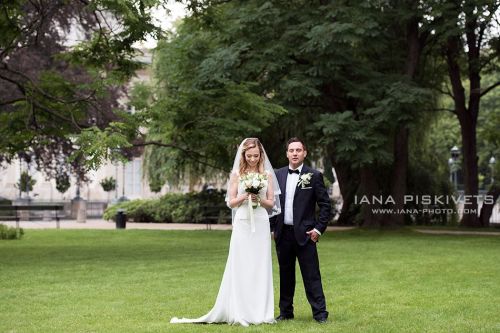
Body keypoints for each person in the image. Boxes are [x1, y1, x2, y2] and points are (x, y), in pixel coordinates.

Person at [170, 138, 281, 327]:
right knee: (241, 263)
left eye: (256, 155)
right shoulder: (237, 174)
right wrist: (244, 196)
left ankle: (261, 311)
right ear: (244, 155)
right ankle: (239, 310)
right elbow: (230, 202)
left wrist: (258, 199)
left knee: (260, 264)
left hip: (261, 222)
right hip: (243, 222)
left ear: (261, 155)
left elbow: (271, 204)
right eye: (249, 156)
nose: (253, 159)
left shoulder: (267, 175)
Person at [270, 137, 332, 323]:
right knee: (285, 275)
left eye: (298, 150)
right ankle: (286, 312)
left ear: (305, 153)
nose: (295, 153)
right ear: (287, 153)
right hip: (283, 234)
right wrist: (273, 228)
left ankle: (320, 314)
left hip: (306, 235)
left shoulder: (314, 175)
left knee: (312, 275)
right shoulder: (277, 175)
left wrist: (318, 230)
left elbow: (325, 205)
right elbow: (272, 205)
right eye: (291, 150)